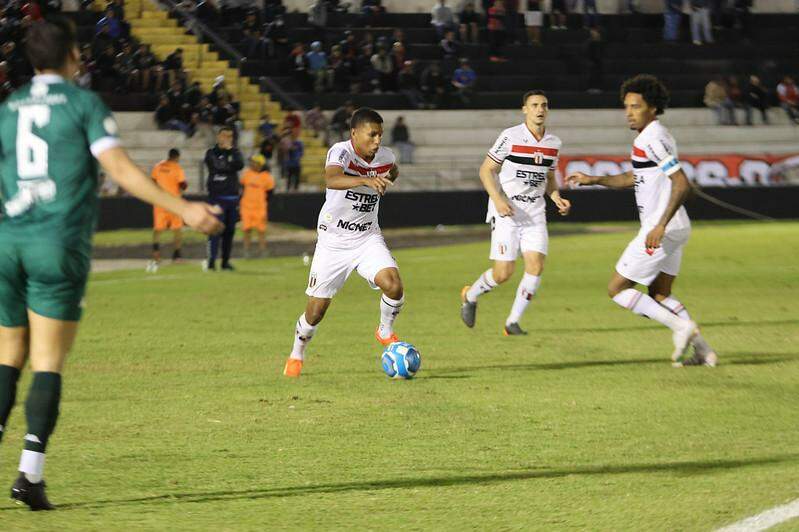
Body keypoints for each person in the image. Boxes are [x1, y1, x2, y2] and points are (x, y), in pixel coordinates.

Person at [0, 17, 221, 511]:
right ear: (72, 56)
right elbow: (119, 170)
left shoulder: (10, 107)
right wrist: (184, 209)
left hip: (7, 240)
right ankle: (29, 476)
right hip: (55, 243)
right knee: (47, 361)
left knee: (6, 356)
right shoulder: (82, 104)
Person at [566, 74, 718, 366]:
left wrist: (659, 225)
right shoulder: (652, 136)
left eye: (635, 106)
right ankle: (703, 351)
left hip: (661, 228)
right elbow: (634, 177)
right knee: (660, 294)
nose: (629, 113)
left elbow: (682, 183)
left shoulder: (653, 137)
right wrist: (594, 179)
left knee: (617, 289)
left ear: (652, 107)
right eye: (626, 106)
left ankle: (681, 327)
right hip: (677, 227)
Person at [283, 107, 401, 378]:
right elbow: (332, 178)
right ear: (354, 133)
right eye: (372, 135)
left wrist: (385, 180)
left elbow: (392, 170)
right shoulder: (341, 152)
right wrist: (367, 180)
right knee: (315, 312)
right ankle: (297, 352)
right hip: (333, 241)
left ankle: (384, 331)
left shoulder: (385, 157)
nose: (377, 141)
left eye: (380, 135)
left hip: (367, 237)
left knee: (393, 285)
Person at [460, 91, 571, 336]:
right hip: (507, 212)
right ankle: (470, 295)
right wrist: (498, 199)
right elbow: (486, 170)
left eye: (544, 105)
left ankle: (512, 322)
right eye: (534, 105)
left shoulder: (554, 143)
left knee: (536, 265)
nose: (540, 109)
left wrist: (556, 198)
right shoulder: (510, 136)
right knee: (504, 273)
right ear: (525, 109)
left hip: (535, 213)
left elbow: (549, 178)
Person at [203, 127, 244, 271]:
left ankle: (225, 262)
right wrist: (229, 165)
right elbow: (216, 166)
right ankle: (211, 261)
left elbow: (240, 164)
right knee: (215, 230)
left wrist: (231, 153)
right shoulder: (211, 153)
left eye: (229, 136)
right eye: (224, 135)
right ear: (218, 137)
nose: (227, 138)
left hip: (232, 198)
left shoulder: (235, 152)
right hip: (217, 198)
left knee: (230, 231)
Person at [147, 148, 188, 273]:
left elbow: (152, 181)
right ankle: (177, 255)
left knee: (158, 228)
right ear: (176, 157)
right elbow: (183, 185)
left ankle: (156, 253)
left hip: (160, 202)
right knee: (177, 229)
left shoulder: (158, 166)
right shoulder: (177, 168)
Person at [239, 154, 275, 257]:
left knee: (261, 230)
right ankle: (247, 251)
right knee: (246, 230)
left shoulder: (267, 177)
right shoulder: (246, 174)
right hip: (246, 207)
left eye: (253, 162)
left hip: (259, 208)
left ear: (259, 164)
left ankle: (263, 251)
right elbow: (241, 188)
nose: (251, 164)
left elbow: (270, 193)